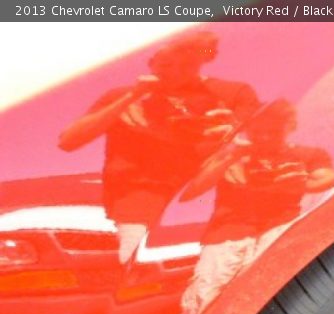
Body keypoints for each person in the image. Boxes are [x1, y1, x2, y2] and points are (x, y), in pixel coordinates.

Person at [58, 30, 260, 263]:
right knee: (145, 276)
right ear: (151, 62)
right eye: (166, 64)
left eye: (186, 65)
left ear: (200, 64)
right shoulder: (125, 96)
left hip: (211, 210)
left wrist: (230, 132)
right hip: (139, 207)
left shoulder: (230, 95)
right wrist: (130, 98)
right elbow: (68, 141)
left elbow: (259, 144)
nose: (174, 72)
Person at [179, 99, 334, 314]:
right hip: (228, 233)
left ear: (289, 127)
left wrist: (297, 183)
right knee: (206, 295)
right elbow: (192, 192)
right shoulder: (229, 153)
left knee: (264, 294)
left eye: (272, 132)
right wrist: (231, 156)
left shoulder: (306, 155)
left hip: (277, 230)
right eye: (258, 131)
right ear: (248, 129)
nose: (264, 137)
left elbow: (329, 178)